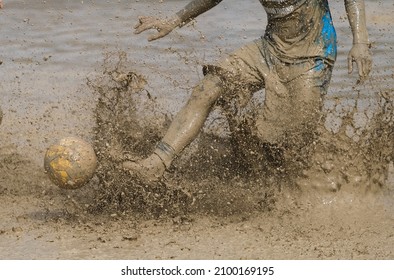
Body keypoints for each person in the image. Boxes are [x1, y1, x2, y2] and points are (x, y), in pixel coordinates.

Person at [123, 0, 372, 185]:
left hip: (313, 54)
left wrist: (360, 43)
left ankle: (316, 184)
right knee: (208, 86)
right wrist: (173, 21)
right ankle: (157, 163)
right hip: (269, 47)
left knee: (290, 141)